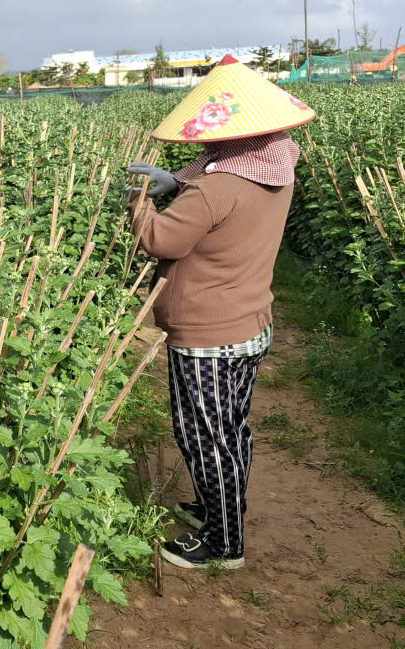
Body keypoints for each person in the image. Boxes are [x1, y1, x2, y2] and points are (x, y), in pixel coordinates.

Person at [127, 55, 316, 570]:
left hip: (208, 334)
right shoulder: (275, 164)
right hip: (251, 322)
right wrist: (181, 183)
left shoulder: (216, 187)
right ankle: (217, 508)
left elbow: (159, 237)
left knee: (204, 436)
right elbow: (218, 191)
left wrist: (141, 200)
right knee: (231, 430)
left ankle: (223, 543)